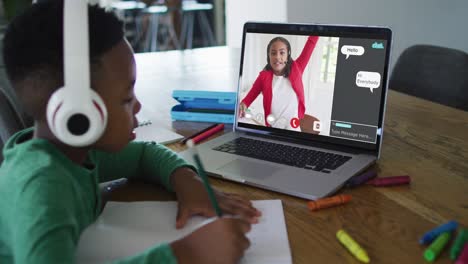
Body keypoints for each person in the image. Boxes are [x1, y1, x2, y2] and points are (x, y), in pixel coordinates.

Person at [0, 2, 260, 264]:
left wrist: (187, 182)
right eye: (126, 98)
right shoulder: (42, 188)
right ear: (78, 114)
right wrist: (186, 254)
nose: (138, 106)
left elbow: (144, 155)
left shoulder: (73, 153)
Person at [239, 35, 320, 131]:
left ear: (288, 55)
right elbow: (248, 99)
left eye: (282, 53)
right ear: (269, 56)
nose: (277, 57)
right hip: (273, 132)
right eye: (273, 53)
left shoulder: (297, 68)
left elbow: (311, 44)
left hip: (293, 132)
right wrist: (242, 106)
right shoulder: (263, 77)